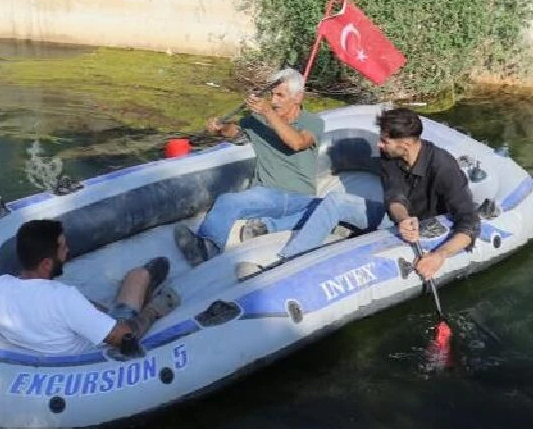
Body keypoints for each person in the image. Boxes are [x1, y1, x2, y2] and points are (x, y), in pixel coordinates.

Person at [236, 107, 480, 282]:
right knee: (335, 201)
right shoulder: (390, 156)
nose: (379, 145)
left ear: (405, 144)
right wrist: (403, 218)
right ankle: (286, 259)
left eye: (384, 141)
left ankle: (296, 253)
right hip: (399, 219)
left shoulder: (443, 167)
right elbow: (395, 196)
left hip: (427, 228)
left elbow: (469, 222)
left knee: (342, 218)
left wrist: (439, 255)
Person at [0, 219, 171, 355]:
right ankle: (154, 294)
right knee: (141, 275)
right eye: (63, 248)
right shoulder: (64, 299)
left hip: (48, 336)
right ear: (45, 263)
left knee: (95, 306)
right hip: (93, 342)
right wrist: (152, 313)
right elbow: (124, 338)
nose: (68, 251)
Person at [173, 67, 326, 266]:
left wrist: (268, 112)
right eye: (272, 95)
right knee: (311, 209)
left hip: (297, 195)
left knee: (229, 202)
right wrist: (220, 128)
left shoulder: (312, 122)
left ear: (298, 97)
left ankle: (208, 247)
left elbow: (297, 143)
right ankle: (267, 227)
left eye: (280, 95)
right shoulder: (258, 120)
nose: (274, 101)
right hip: (266, 194)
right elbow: (234, 131)